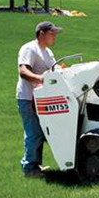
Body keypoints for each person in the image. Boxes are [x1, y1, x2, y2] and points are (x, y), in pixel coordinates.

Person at [16, 21, 62, 178]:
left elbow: (54, 71)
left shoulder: (48, 52)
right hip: (28, 98)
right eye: (52, 34)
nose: (55, 37)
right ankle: (29, 168)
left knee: (41, 132)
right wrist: (41, 79)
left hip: (42, 99)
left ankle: (36, 165)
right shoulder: (30, 49)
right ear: (41, 33)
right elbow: (23, 71)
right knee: (33, 132)